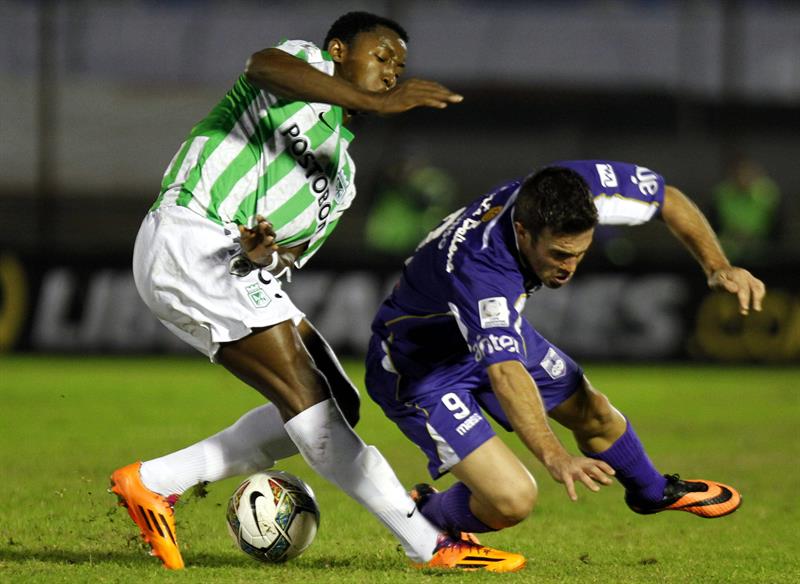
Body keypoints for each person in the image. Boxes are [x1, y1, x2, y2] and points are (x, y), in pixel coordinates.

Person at [110, 12, 524, 573]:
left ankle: (155, 483)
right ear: (337, 50)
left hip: (237, 269)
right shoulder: (299, 65)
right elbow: (262, 66)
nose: (390, 73)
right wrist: (380, 103)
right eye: (380, 57)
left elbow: (286, 255)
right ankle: (429, 544)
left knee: (338, 401)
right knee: (311, 406)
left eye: (398, 67)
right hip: (190, 236)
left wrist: (264, 253)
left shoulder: (343, 180)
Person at [365, 160, 765, 544]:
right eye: (559, 254)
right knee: (512, 500)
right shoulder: (482, 268)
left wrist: (717, 265)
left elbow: (669, 198)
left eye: (581, 253)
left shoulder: (575, 186)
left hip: (485, 336)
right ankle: (426, 516)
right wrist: (556, 456)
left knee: (594, 412)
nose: (570, 267)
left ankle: (652, 492)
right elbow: (506, 373)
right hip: (418, 368)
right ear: (523, 232)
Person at [712, 153, 782, 262]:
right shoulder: (721, 194)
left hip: (763, 250)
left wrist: (752, 237)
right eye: (738, 173)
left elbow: (777, 227)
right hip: (728, 251)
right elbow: (714, 224)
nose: (743, 177)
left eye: (747, 173)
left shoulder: (768, 193)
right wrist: (735, 236)